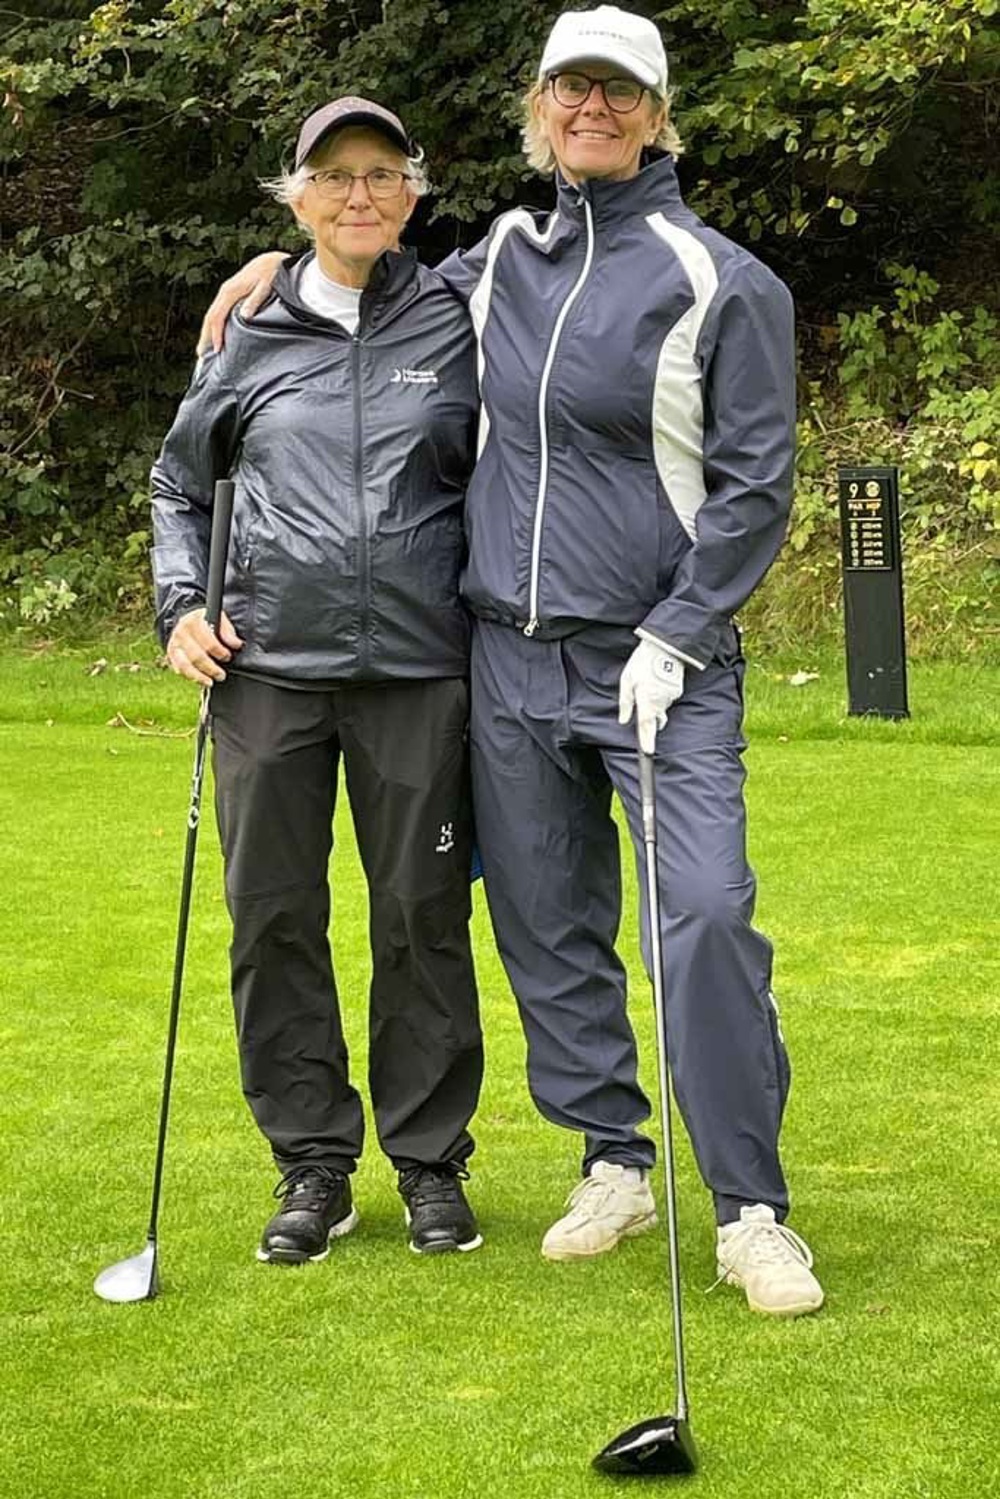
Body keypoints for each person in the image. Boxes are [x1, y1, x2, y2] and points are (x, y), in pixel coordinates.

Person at [200, 7, 824, 1316]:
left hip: (659, 659)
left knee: (704, 911)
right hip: (506, 660)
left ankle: (751, 1206)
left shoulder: (722, 280)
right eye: (569, 88)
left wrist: (678, 627)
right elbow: (360, 276)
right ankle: (612, 1157)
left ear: (656, 114)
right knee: (545, 922)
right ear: (539, 109)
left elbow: (755, 486)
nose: (591, 108)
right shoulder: (495, 263)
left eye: (618, 90)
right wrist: (276, 262)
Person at [151, 96, 485, 1264]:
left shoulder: (459, 313)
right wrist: (180, 605)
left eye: (382, 174)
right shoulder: (248, 330)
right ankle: (311, 1164)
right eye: (334, 176)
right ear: (295, 197)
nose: (359, 195)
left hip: (419, 672)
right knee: (274, 916)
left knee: (421, 917)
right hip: (266, 675)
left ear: (413, 191)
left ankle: (430, 1162)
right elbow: (179, 485)